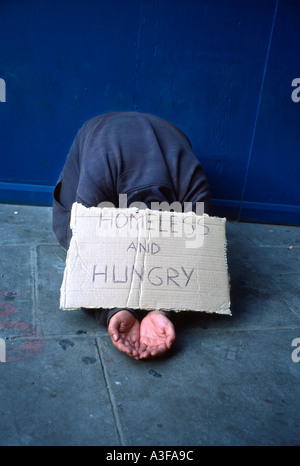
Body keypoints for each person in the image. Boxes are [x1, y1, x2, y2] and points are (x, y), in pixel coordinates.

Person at [52, 112, 210, 359]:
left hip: (170, 139)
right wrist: (113, 310)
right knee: (71, 233)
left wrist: (164, 311)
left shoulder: (192, 185)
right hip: (99, 136)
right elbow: (83, 256)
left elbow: (196, 258)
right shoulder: (98, 173)